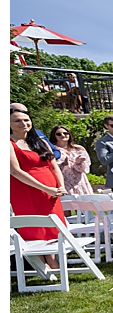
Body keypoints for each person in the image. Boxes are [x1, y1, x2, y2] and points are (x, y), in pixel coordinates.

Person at [10, 109, 68, 258]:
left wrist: (60, 186)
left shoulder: (40, 142)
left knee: (54, 226)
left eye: (26, 119)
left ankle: (55, 260)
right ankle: (44, 264)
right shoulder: (8, 143)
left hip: (51, 191)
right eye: (17, 120)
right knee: (35, 227)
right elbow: (14, 171)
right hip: (26, 190)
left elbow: (54, 166)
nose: (23, 123)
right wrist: (45, 188)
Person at [50, 125, 94, 195]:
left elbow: (86, 169)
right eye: (58, 134)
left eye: (65, 133)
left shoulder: (79, 149)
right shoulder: (52, 150)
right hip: (65, 182)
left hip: (80, 182)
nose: (63, 135)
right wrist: (63, 165)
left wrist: (78, 163)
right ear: (54, 136)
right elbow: (50, 168)